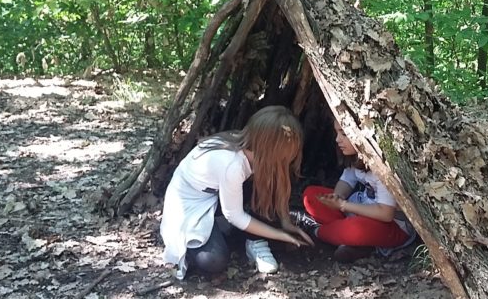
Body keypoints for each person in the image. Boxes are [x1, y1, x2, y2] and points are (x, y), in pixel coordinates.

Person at [160, 105, 313, 280]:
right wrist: (280, 234)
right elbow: (234, 215)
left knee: (268, 176)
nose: (288, 159)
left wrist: (285, 221)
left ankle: (253, 238)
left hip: (217, 196)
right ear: (269, 148)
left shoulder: (249, 150)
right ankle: (223, 230)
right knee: (212, 260)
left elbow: (276, 182)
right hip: (193, 205)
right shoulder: (232, 164)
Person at [298, 119, 416, 262]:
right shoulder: (356, 158)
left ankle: (316, 231)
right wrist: (336, 197)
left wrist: (343, 205)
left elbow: (386, 214)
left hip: (392, 226)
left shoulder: (382, 169)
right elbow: (347, 180)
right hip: (359, 208)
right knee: (311, 195)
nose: (337, 139)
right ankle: (354, 242)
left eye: (343, 134)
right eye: (336, 133)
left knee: (356, 230)